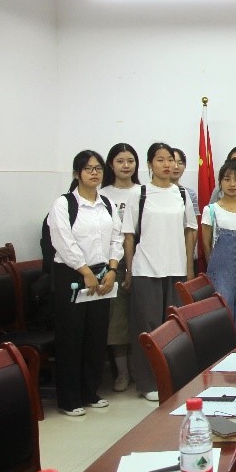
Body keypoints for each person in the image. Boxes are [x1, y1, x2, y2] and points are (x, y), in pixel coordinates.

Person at [48, 150, 123, 416]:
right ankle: (69, 399)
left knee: (95, 335)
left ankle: (90, 392)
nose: (94, 173)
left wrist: (112, 269)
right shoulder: (64, 204)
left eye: (98, 168)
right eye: (88, 168)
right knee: (72, 337)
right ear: (76, 173)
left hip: (103, 274)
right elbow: (63, 241)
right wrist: (84, 271)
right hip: (72, 275)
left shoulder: (107, 204)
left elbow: (116, 238)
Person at [122, 142, 197, 402]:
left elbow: (190, 231)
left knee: (173, 326)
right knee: (148, 327)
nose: (167, 165)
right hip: (146, 268)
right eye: (160, 159)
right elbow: (129, 235)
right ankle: (148, 382)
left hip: (175, 268)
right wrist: (129, 270)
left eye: (171, 160)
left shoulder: (182, 194)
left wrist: (189, 269)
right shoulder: (139, 193)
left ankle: (172, 378)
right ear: (150, 164)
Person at [201, 160, 236, 343]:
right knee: (222, 315)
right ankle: (221, 355)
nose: (232, 184)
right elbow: (206, 245)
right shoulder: (211, 210)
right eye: (227, 179)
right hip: (219, 273)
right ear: (220, 182)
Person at [99, 142, 140, 393]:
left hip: (141, 260)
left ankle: (139, 370)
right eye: (120, 161)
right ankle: (122, 372)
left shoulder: (143, 192)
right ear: (111, 165)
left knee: (139, 318)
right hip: (113, 263)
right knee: (117, 321)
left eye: (130, 161)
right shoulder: (103, 194)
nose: (126, 166)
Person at [170, 148, 199, 214]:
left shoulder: (189, 193)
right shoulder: (152, 191)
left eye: (180, 163)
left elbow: (194, 219)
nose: (176, 166)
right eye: (172, 162)